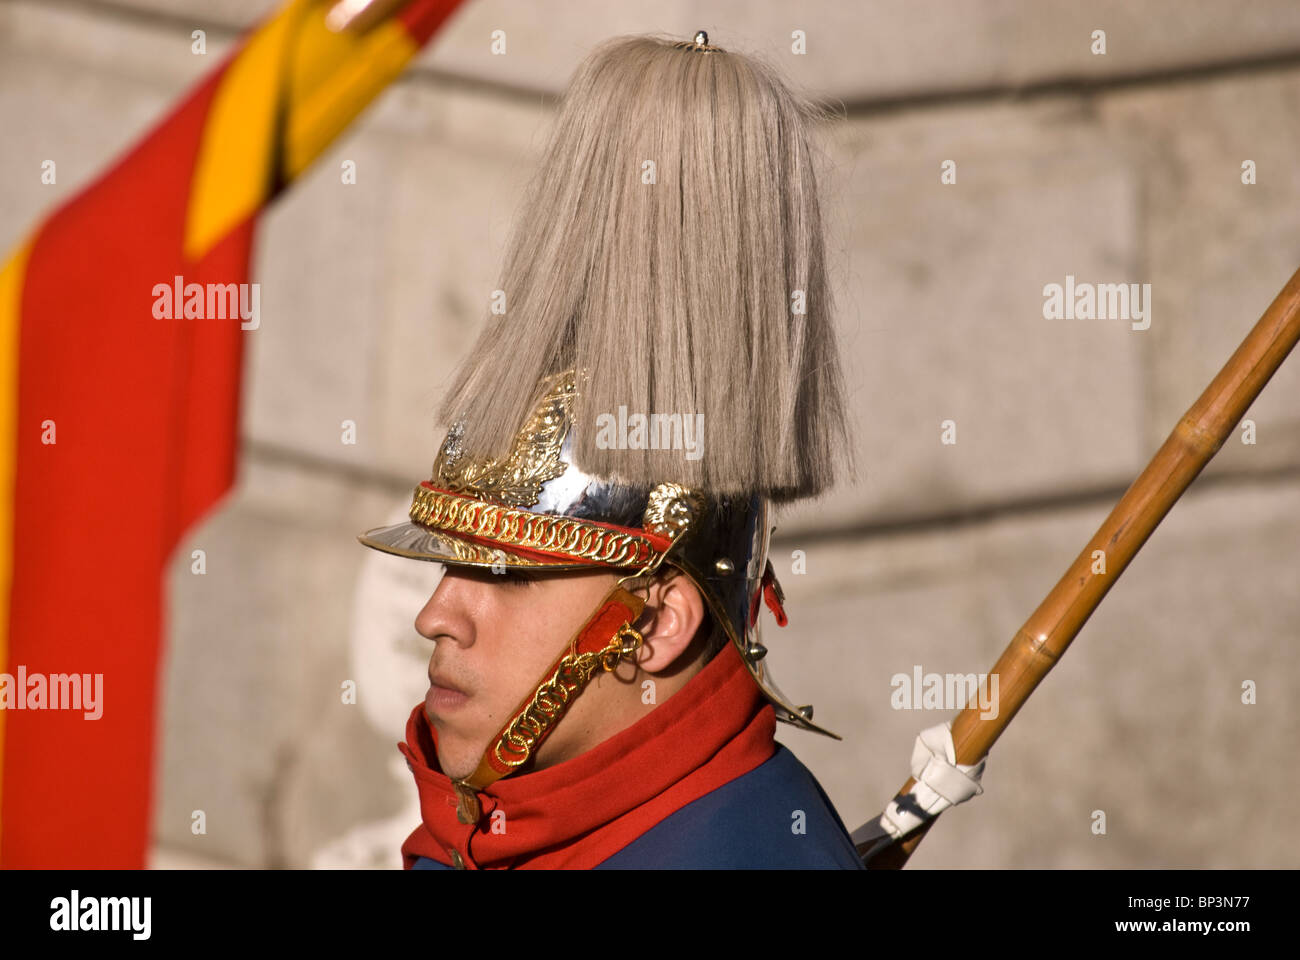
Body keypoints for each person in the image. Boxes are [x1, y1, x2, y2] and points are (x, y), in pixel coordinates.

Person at [357, 30, 862, 869]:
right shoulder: (490, 819)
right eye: (455, 564)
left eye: (504, 576)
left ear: (657, 624)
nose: (434, 614)